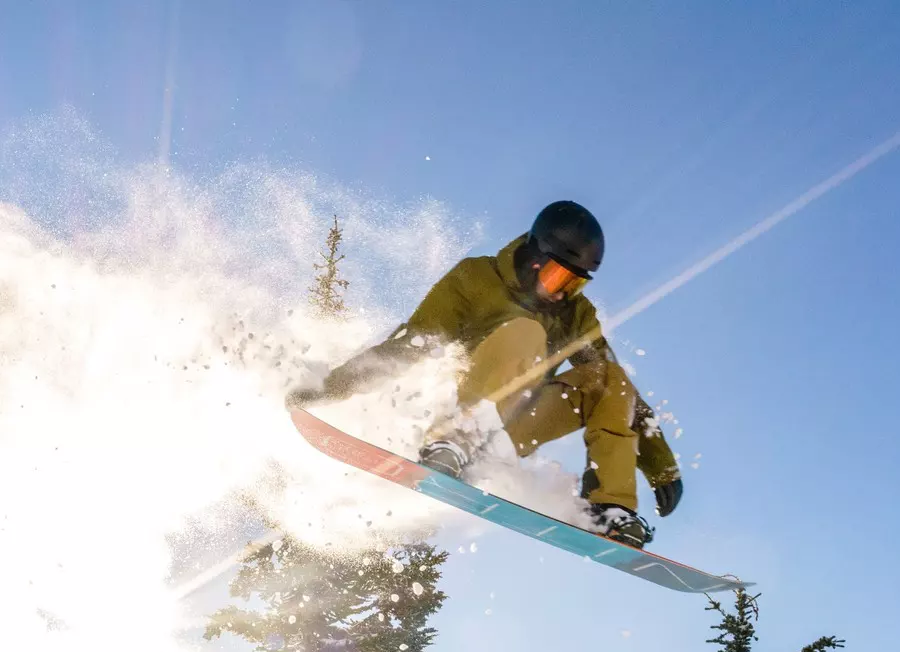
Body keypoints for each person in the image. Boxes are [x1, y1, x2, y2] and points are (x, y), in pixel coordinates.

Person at [289, 201, 683, 549]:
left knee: (607, 376)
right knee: (525, 331)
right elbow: (410, 345)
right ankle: (457, 438)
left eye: (575, 282)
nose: (563, 293)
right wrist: (329, 389)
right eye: (557, 278)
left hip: (518, 424)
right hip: (461, 405)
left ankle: (608, 509)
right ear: (533, 254)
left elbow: (618, 390)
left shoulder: (575, 314)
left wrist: (661, 465)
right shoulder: (476, 280)